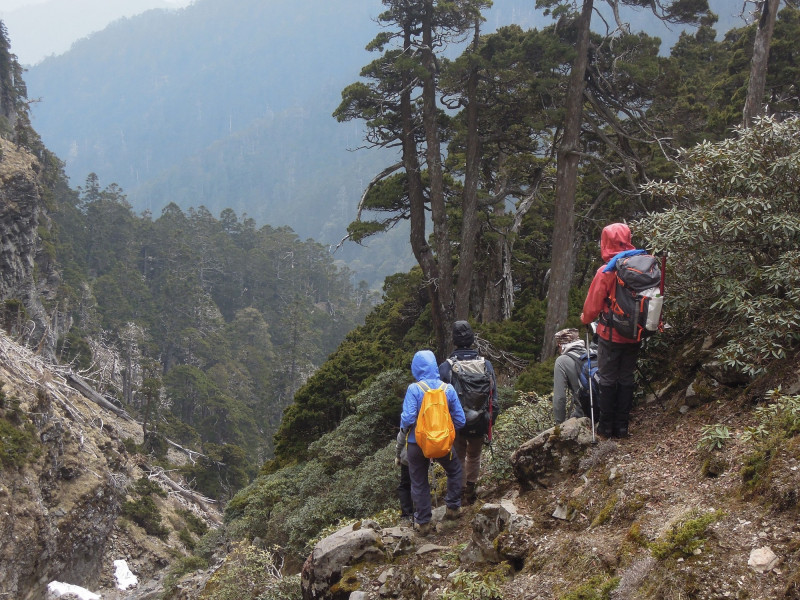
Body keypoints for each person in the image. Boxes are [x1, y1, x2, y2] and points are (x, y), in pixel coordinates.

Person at [580, 222, 642, 438]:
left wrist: (585, 319)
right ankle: (623, 426)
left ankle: (606, 427)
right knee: (626, 377)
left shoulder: (607, 271)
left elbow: (592, 307)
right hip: (636, 333)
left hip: (611, 334)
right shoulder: (642, 266)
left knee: (607, 378)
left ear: (605, 242)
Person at [400, 349, 466, 536]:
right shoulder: (448, 389)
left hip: (416, 443)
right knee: (454, 470)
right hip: (443, 444)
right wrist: (444, 430)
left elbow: (407, 418)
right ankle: (453, 509)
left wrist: (408, 429)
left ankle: (424, 524)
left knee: (419, 482)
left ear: (416, 368)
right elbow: (460, 420)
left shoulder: (414, 389)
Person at [439, 321, 498, 506]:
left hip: (457, 421)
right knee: (474, 455)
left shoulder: (446, 367)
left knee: (458, 455)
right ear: (472, 339)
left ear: (454, 340)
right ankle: (471, 490)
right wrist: (490, 420)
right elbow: (493, 395)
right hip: (481, 419)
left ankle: (460, 490)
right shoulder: (485, 364)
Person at [552, 328, 587, 424]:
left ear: (560, 345)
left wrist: (559, 426)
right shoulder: (592, 354)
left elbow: (560, 398)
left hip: (585, 413)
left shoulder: (562, 361)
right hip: (606, 411)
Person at [394, 428, 414, 523]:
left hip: (408, 454)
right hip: (426, 452)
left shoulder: (410, 413)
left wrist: (398, 455)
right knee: (421, 482)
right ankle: (422, 512)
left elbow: (401, 437)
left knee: (405, 485)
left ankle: (407, 514)